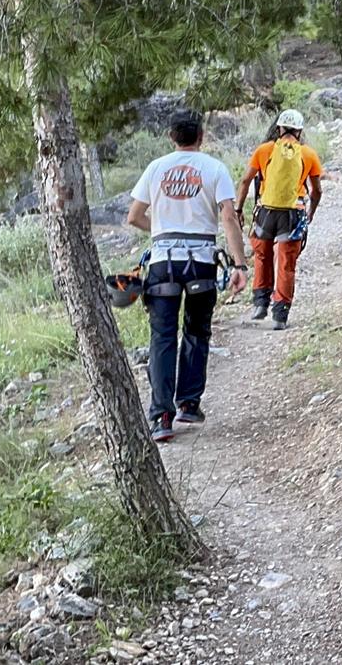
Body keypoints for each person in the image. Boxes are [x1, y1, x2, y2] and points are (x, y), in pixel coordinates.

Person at [125, 110, 249, 444]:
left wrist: (163, 231)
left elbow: (134, 216)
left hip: (163, 261)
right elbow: (227, 216)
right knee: (196, 331)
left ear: (171, 137)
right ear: (202, 136)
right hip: (201, 262)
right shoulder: (214, 169)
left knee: (162, 337)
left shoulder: (156, 168)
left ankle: (161, 416)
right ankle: (189, 404)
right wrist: (239, 264)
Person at [237, 108, 323, 330]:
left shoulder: (264, 150)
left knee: (262, 255)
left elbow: (246, 181)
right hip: (293, 214)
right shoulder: (309, 154)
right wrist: (311, 212)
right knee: (286, 263)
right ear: (300, 131)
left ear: (279, 128)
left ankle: (260, 302)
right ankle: (280, 316)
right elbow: (316, 191)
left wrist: (238, 209)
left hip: (265, 211)